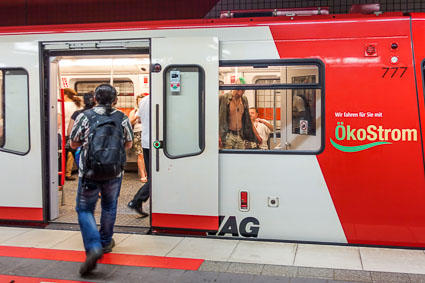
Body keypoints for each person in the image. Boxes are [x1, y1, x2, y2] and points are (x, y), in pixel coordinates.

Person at [70, 84, 133, 275]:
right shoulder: (122, 117)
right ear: (115, 100)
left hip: (89, 172)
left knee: (84, 208)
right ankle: (105, 242)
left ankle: (93, 246)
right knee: (109, 206)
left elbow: (73, 142)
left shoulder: (84, 116)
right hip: (114, 172)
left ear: (95, 99)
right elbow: (128, 143)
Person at [219, 77, 261, 149]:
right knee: (228, 157)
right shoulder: (223, 98)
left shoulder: (244, 100)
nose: (240, 92)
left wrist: (256, 135)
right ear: (234, 87)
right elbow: (216, 118)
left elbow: (248, 119)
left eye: (243, 90)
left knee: (239, 156)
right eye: (238, 89)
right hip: (227, 135)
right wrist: (218, 136)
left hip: (240, 135)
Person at [127, 93, 150, 217]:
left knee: (153, 176)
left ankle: (138, 201)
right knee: (156, 178)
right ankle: (137, 200)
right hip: (159, 143)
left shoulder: (143, 101)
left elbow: (140, 119)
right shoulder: (163, 98)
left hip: (146, 141)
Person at [67, 91, 95, 167]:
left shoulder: (77, 114)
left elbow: (69, 132)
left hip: (80, 149)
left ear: (83, 101)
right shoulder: (102, 115)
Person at [60, 88, 82, 181]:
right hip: (74, 132)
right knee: (72, 153)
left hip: (63, 131)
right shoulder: (77, 105)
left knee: (63, 154)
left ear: (65, 95)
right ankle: (68, 173)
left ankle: (61, 174)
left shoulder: (60, 105)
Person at [129, 94, 148, 183]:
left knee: (147, 154)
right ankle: (142, 174)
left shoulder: (148, 109)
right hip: (137, 133)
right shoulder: (134, 111)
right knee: (140, 155)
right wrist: (137, 116)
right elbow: (130, 122)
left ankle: (148, 173)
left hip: (146, 132)